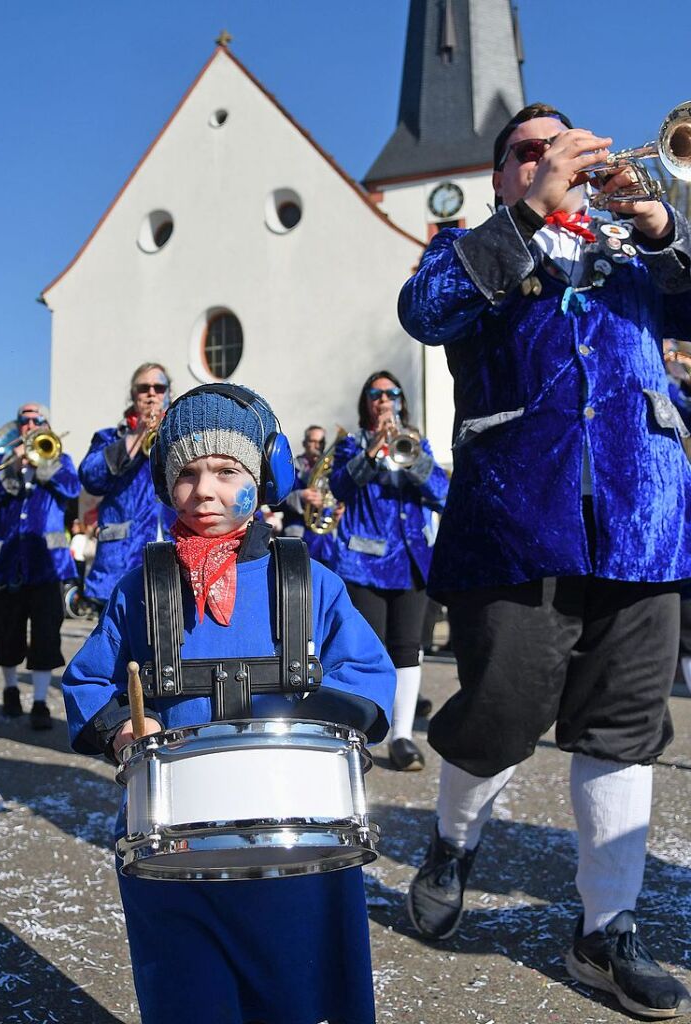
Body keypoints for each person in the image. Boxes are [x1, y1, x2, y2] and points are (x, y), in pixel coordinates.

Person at [398, 102, 691, 1017]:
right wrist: (527, 217)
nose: (550, 162)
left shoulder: (628, 248)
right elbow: (424, 311)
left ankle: (606, 930)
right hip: (514, 519)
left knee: (624, 727)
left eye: (563, 149)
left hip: (644, 517)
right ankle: (451, 844)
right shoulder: (470, 246)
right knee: (496, 713)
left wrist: (659, 225)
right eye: (529, 152)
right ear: (500, 175)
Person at [62, 383, 396, 1024]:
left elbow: (367, 677)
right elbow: (88, 683)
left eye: (226, 471)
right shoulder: (141, 588)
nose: (204, 491)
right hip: (175, 854)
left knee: (305, 993)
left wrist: (319, 720)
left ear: (262, 477)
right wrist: (122, 732)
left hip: (299, 844)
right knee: (190, 997)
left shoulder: (309, 580)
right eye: (185, 474)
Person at [329, 371, 449, 771]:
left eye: (391, 392)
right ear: (366, 401)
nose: (384, 399)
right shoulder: (351, 445)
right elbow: (341, 488)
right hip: (365, 563)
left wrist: (412, 457)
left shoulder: (416, 442)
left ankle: (402, 737)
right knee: (368, 648)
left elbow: (442, 494)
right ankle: (360, 734)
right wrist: (372, 453)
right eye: (376, 393)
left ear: (400, 400)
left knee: (407, 649)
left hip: (412, 563)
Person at [0, 402, 80, 728]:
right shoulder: (3, 461)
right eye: (25, 420)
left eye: (37, 419)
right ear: (17, 426)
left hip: (47, 564)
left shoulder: (60, 458)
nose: (31, 424)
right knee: (5, 632)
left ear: (47, 425)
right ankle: (9, 691)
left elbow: (72, 487)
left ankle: (38, 703)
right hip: (7, 563)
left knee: (47, 635)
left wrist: (41, 462)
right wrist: (12, 466)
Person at [78, 362, 176, 613]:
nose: (152, 393)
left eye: (159, 387)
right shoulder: (110, 437)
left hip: (174, 554)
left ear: (167, 393)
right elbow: (90, 477)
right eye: (144, 388)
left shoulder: (179, 434)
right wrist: (135, 436)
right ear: (133, 395)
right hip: (121, 559)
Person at [282, 423, 342, 565]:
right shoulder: (291, 468)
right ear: (304, 443)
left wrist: (339, 508)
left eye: (321, 442)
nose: (317, 446)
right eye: (313, 441)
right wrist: (300, 496)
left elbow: (339, 497)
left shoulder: (332, 471)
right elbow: (275, 502)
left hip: (325, 541)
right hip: (297, 538)